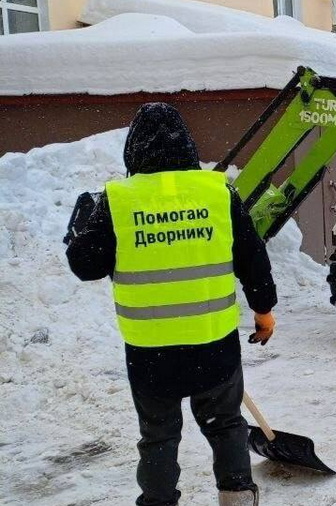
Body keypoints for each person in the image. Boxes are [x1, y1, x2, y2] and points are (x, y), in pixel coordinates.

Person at [66, 103, 278, 506]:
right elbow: (253, 258)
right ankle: (237, 497)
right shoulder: (217, 192)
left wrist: (80, 230)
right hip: (213, 345)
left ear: (133, 150)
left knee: (159, 435)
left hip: (151, 352)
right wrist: (263, 311)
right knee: (226, 424)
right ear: (188, 147)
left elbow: (85, 266)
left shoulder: (118, 201)